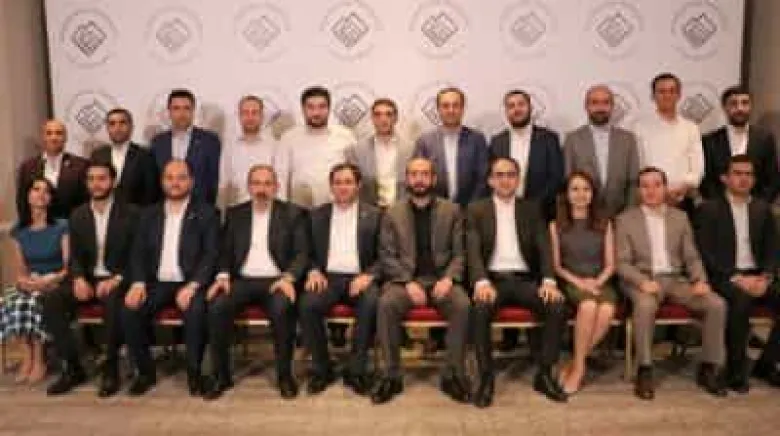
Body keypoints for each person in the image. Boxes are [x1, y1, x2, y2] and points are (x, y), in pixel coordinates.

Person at [615, 167, 726, 400]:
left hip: (675, 279)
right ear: (638, 190)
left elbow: (691, 256)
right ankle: (644, 369)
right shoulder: (625, 219)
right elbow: (622, 263)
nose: (651, 190)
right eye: (645, 186)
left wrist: (700, 280)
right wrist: (642, 282)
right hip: (642, 279)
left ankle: (709, 368)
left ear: (665, 188)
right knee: (645, 305)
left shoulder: (680, 217)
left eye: (657, 185)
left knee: (716, 304)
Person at [371, 157, 471, 405]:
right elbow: (386, 255)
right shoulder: (392, 213)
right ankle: (391, 376)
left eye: (425, 174)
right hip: (405, 281)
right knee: (386, 304)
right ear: (407, 179)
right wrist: (407, 282)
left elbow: (460, 254)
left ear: (434, 179)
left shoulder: (452, 211)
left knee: (462, 305)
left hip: (441, 279)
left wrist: (449, 278)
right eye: (414, 174)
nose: (419, 179)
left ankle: (453, 375)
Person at [468, 157, 567, 407]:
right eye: (499, 175)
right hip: (492, 280)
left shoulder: (531, 209)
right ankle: (486, 378)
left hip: (524, 280)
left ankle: (544, 374)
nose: (505, 180)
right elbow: (472, 250)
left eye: (511, 175)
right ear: (490, 180)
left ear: (518, 179)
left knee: (556, 306)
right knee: (479, 308)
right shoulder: (476, 209)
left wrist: (549, 281)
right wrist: (481, 282)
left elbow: (544, 247)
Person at [203, 165, 308, 400]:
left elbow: (302, 253)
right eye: (257, 183)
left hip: (277, 280)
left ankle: (284, 376)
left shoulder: (293, 214)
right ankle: (221, 375)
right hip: (242, 280)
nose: (262, 189)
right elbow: (224, 251)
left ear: (276, 187)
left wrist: (288, 278)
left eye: (267, 183)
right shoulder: (235, 214)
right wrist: (222, 276)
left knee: (282, 308)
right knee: (217, 306)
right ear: (249, 187)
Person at [121, 160, 219, 397]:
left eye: (181, 177)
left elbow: (211, 254)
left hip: (191, 282)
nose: (175, 183)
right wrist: (138, 282)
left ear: (191, 182)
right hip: (156, 283)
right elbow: (137, 252)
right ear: (162, 181)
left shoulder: (207, 213)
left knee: (196, 310)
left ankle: (195, 373)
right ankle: (145, 373)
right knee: (130, 310)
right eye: (169, 177)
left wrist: (193, 285)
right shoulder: (148, 214)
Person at [42, 161, 139, 396]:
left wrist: (118, 278)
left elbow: (139, 255)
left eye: (102, 178)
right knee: (52, 300)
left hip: (118, 279)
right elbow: (75, 256)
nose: (96, 184)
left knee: (113, 301)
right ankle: (72, 368)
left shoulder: (132, 213)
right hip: (88, 278)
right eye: (91, 179)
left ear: (113, 181)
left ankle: (110, 369)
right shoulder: (78, 215)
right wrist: (77, 278)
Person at [696, 155, 780, 391]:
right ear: (725, 178)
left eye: (748, 174)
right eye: (737, 173)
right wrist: (737, 277)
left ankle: (767, 362)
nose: (743, 179)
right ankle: (735, 370)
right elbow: (705, 252)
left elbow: (773, 249)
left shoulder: (763, 209)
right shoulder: (709, 209)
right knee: (740, 301)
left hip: (757, 275)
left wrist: (766, 277)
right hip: (724, 276)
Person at [299, 163, 382, 396]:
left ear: (358, 185)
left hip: (360, 277)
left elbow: (385, 255)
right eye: (337, 182)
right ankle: (322, 368)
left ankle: (357, 370)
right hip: (327, 279)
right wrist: (313, 270)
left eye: (348, 182)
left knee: (371, 302)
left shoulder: (375, 215)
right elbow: (305, 252)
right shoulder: (316, 215)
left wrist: (369, 275)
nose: (343, 187)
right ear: (331, 186)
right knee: (307, 304)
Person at [549, 171, 616, 394]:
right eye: (575, 189)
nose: (581, 194)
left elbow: (611, 264)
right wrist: (580, 283)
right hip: (571, 281)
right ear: (567, 194)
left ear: (593, 193)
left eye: (586, 189)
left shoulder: (604, 224)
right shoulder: (556, 226)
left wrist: (597, 282)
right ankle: (579, 370)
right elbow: (557, 266)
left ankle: (575, 364)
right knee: (588, 306)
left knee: (606, 310)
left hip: (600, 281)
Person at [0, 177, 68, 385]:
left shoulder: (62, 226)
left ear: (51, 198)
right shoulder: (19, 230)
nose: (41, 194)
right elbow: (21, 269)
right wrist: (25, 282)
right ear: (28, 196)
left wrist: (50, 280)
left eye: (46, 191)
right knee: (12, 297)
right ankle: (26, 355)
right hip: (32, 280)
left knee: (35, 299)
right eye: (36, 189)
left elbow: (67, 267)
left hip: (56, 280)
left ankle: (40, 358)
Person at [563, 85, 640, 218]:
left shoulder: (628, 139)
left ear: (612, 106)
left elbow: (633, 181)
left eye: (606, 102)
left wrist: (628, 214)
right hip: (584, 216)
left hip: (620, 215)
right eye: (594, 102)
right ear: (586, 106)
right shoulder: (572, 139)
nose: (600, 108)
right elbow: (568, 179)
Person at [634, 73, 704, 215]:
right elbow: (639, 164)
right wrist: (659, 191)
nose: (667, 96)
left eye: (672, 91)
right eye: (662, 91)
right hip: (650, 198)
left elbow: (698, 168)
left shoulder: (691, 127)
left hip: (683, 199)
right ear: (653, 96)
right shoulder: (639, 127)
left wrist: (681, 189)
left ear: (679, 95)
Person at [489, 89, 564, 220]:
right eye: (511, 106)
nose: (516, 109)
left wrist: (533, 205)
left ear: (530, 108)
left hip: (541, 212)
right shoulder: (497, 141)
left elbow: (556, 177)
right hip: (504, 212)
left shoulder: (549, 138)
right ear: (506, 112)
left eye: (521, 104)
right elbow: (492, 177)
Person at [281, 86, 357, 208]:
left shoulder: (345, 136)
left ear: (329, 108)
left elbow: (355, 175)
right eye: (311, 107)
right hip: (300, 206)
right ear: (303, 109)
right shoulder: (289, 138)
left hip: (337, 205)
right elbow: (281, 176)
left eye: (322, 107)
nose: (316, 113)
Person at [701, 86, 779, 203]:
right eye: (733, 104)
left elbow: (773, 178)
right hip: (720, 208)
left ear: (751, 106)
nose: (740, 108)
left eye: (745, 103)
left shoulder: (765, 138)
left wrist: (758, 206)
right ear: (724, 107)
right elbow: (706, 180)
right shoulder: (709, 141)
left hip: (757, 207)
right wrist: (721, 206)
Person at [414, 87, 489, 207]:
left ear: (462, 109)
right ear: (438, 109)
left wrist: (472, 206)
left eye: (456, 105)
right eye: (445, 106)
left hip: (470, 209)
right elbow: (419, 178)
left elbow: (483, 178)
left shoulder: (477, 139)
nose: (451, 110)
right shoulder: (424, 141)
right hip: (434, 209)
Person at [149, 89, 221, 205]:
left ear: (193, 111)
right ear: (169, 112)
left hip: (200, 209)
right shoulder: (158, 142)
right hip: (164, 208)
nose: (181, 114)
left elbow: (213, 182)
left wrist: (207, 210)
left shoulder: (209, 141)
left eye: (186, 108)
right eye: (176, 108)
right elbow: (153, 182)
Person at [219, 95, 288, 207]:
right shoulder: (230, 146)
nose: (250, 117)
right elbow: (223, 184)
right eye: (245, 113)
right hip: (237, 210)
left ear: (262, 116)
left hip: (267, 209)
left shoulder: (275, 146)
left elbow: (281, 185)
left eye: (254, 113)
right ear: (239, 116)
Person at [346, 98, 414, 207]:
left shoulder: (411, 149)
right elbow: (353, 185)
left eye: (388, 114)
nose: (383, 119)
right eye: (378, 115)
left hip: (402, 209)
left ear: (396, 118)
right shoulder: (356, 150)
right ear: (372, 118)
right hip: (369, 210)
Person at [16, 120, 88, 219]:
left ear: (65, 138)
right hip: (38, 225)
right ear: (43, 137)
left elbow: (85, 201)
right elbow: (22, 201)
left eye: (59, 133)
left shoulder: (81, 166)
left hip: (72, 224)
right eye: (49, 133)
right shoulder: (28, 167)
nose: (53, 137)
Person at [91, 108, 159, 206]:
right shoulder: (98, 155)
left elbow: (151, 193)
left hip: (136, 213)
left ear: (131, 127)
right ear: (107, 128)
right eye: (112, 124)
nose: (117, 128)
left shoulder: (145, 155)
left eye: (122, 123)